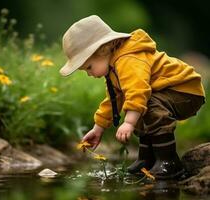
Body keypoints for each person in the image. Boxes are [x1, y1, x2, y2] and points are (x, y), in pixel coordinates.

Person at [59, 15, 205, 179]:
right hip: (166, 91)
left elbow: (138, 91)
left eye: (89, 67)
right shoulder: (113, 68)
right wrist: (98, 128)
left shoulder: (128, 59)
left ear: (102, 49)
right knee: (140, 109)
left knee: (146, 106)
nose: (89, 74)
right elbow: (113, 100)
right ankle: (146, 160)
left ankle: (169, 162)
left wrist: (128, 123)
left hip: (184, 90)